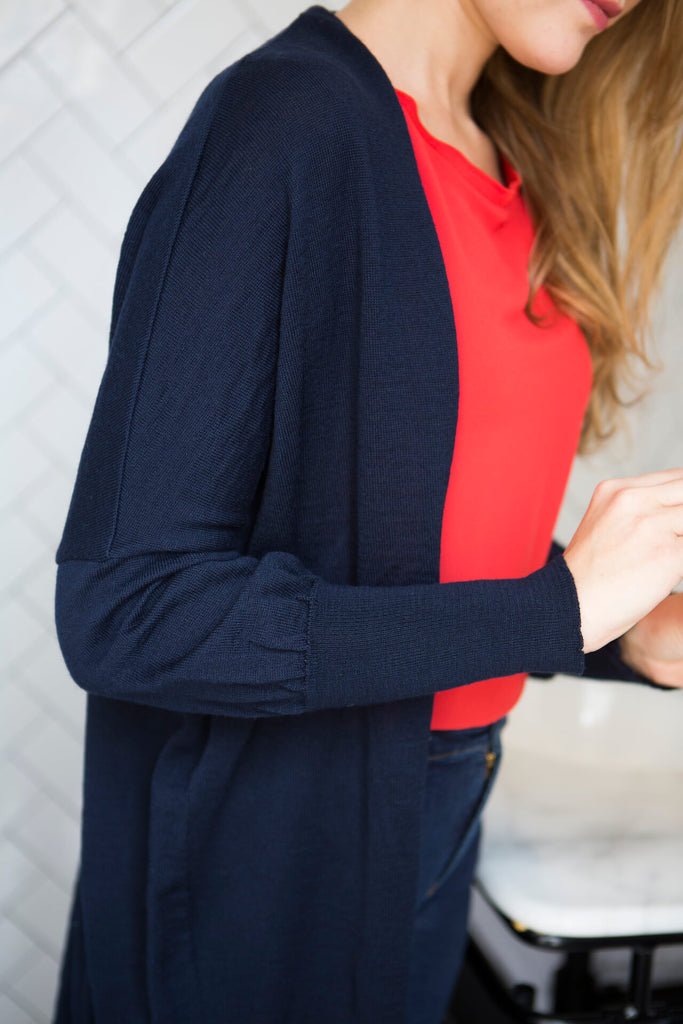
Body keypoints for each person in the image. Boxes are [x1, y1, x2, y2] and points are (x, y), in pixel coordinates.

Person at [51, 2, 683, 1022]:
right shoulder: (284, 122)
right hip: (276, 845)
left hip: (438, 802)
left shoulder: (510, 161)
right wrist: (555, 609)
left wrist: (624, 633)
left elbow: (401, 542)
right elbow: (129, 611)